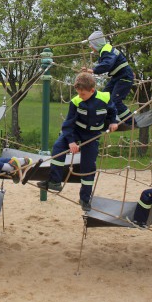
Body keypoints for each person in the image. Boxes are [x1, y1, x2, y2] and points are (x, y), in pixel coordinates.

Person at [37, 72, 119, 211]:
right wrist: (71, 141)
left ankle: (85, 199)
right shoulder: (76, 101)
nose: (80, 96)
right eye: (78, 93)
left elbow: (113, 111)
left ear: (92, 90)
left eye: (83, 94)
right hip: (75, 131)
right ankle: (55, 182)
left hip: (92, 135)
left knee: (88, 167)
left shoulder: (105, 98)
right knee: (58, 148)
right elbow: (68, 124)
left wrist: (113, 122)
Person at [82, 29, 134, 126]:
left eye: (91, 44)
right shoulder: (104, 50)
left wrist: (93, 70)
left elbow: (107, 64)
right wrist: (91, 69)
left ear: (97, 44)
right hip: (116, 77)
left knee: (115, 100)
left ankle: (130, 121)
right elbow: (103, 64)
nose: (90, 46)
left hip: (124, 77)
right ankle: (106, 117)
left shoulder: (107, 50)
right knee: (104, 96)